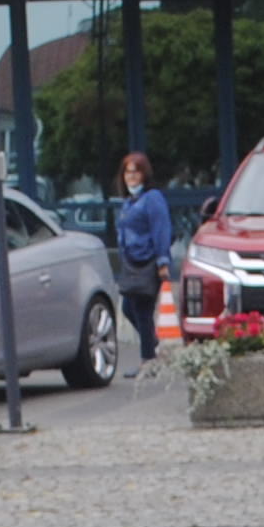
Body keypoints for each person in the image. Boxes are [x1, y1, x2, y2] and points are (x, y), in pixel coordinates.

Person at [112, 151, 173, 366]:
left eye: (136, 173)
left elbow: (161, 229)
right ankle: (151, 343)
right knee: (129, 308)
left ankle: (148, 361)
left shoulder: (152, 198)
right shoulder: (129, 201)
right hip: (132, 264)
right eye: (128, 173)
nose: (131, 178)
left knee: (142, 310)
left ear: (144, 175)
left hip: (148, 263)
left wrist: (162, 262)